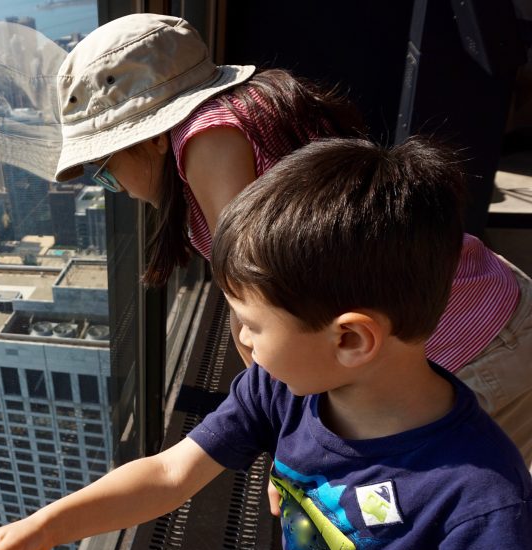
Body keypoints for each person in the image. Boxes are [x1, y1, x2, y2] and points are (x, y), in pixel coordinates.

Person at [0, 138, 532, 550]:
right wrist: (48, 526)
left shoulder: (480, 496)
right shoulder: (287, 391)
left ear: (349, 340)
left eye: (251, 323)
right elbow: (167, 474)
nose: (238, 337)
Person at [53, 13, 532, 469]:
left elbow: (255, 299)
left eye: (106, 173)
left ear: (153, 136)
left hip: (463, 351)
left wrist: (289, 441)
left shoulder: (206, 139)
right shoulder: (258, 102)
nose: (120, 190)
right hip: (485, 302)